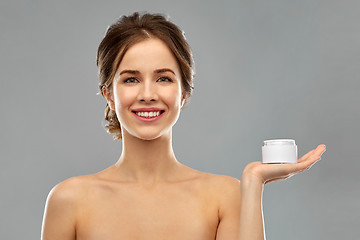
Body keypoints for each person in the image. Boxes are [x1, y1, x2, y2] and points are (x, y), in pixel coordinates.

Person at [41, 12, 326, 240]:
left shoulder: (223, 196)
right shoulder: (69, 200)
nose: (148, 94)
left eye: (163, 78)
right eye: (131, 79)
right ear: (109, 95)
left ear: (184, 93)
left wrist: (253, 183)